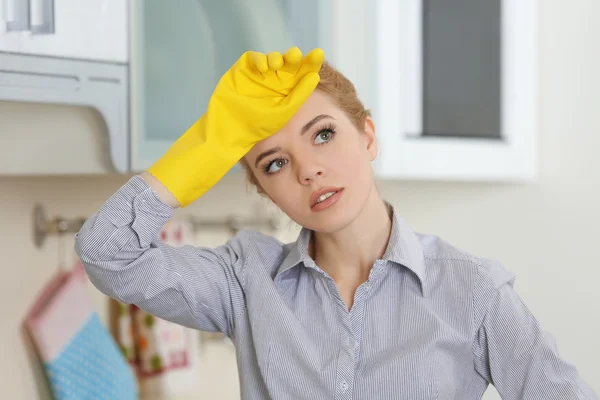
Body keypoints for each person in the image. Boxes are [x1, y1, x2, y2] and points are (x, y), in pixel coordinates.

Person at [75, 47, 598, 399]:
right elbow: (107, 253)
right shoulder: (245, 281)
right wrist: (212, 143)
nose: (308, 169)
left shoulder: (473, 290)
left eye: (322, 134)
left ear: (368, 136)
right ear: (263, 189)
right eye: (274, 163)